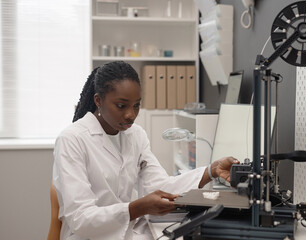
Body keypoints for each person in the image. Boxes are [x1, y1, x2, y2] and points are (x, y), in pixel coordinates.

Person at [52, 61, 239, 240]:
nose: (131, 115)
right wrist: (136, 208)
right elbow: (80, 219)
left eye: (136, 105)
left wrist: (211, 171)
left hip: (128, 231)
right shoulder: (72, 140)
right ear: (98, 100)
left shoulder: (135, 135)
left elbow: (160, 187)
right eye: (121, 106)